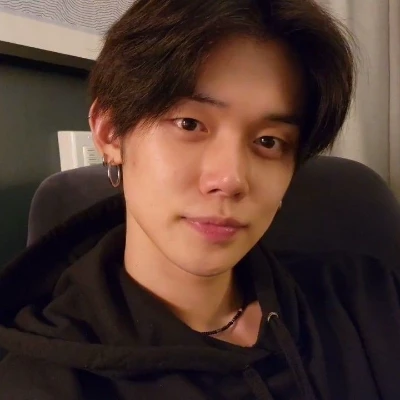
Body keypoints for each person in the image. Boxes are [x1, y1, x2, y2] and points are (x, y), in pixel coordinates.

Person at [0, 0, 399, 399]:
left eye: (268, 142)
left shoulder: (366, 298)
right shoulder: (41, 380)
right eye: (189, 124)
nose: (230, 179)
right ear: (110, 134)